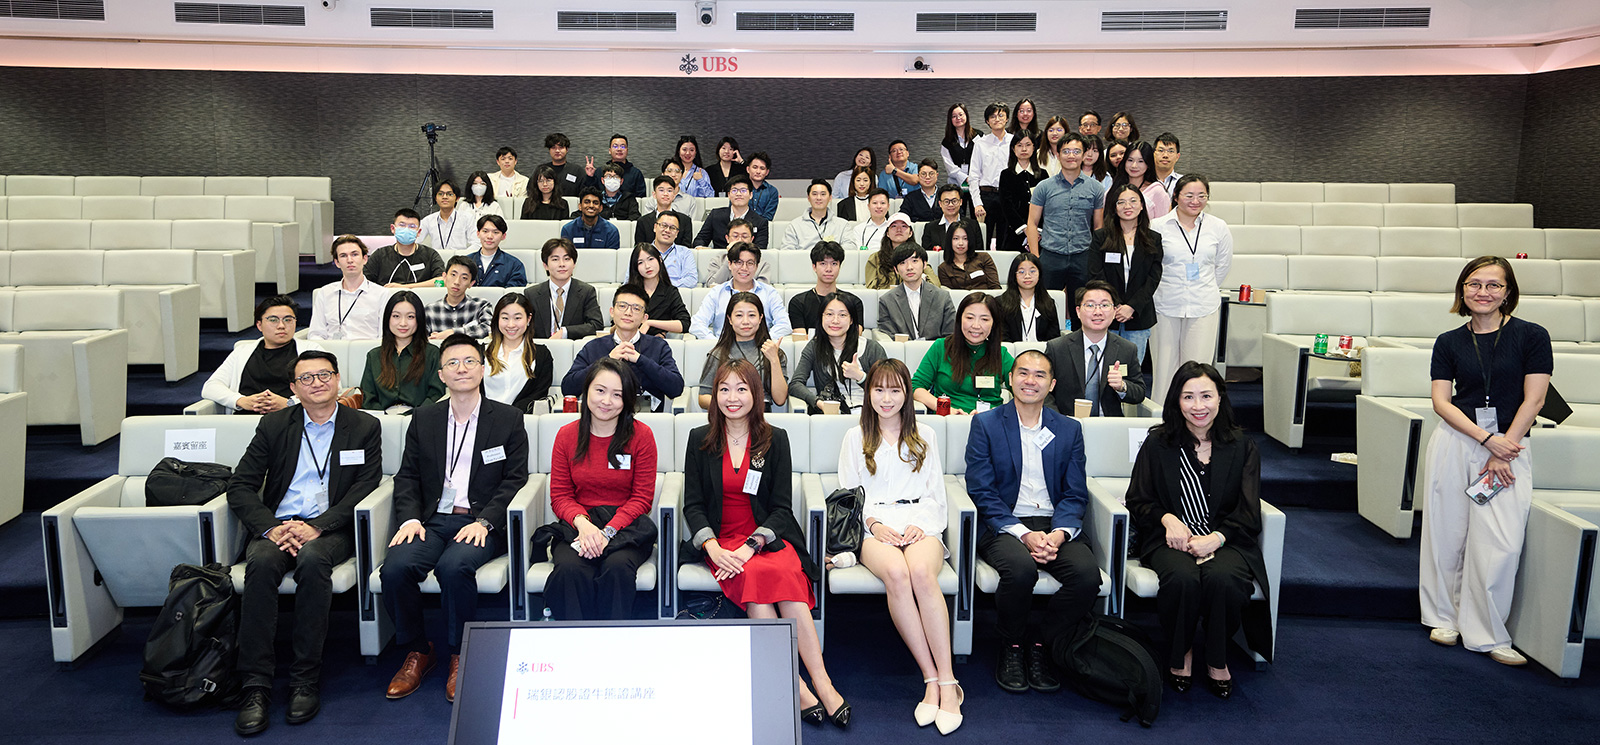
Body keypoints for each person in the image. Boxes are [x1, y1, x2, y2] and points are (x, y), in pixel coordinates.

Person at [682, 359, 849, 727]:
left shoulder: (775, 439)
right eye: (724, 389)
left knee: (786, 577)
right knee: (756, 581)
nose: (732, 397)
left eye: (741, 389)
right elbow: (692, 505)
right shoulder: (699, 439)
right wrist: (712, 547)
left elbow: (781, 508)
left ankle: (822, 681)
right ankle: (796, 685)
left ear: (756, 394)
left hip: (765, 538)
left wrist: (752, 544)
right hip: (722, 544)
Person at [227, 350, 383, 735]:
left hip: (330, 530)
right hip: (279, 526)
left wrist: (319, 526)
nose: (317, 383)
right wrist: (270, 528)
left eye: (324, 375)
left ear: (338, 379)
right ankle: (255, 685)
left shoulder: (364, 425)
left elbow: (365, 486)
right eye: (307, 378)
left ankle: (304, 678)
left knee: (313, 560)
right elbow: (241, 485)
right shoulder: (274, 425)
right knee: (262, 563)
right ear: (294, 388)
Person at [382, 334, 530, 703]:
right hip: (432, 520)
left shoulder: (508, 418)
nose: (461, 369)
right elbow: (407, 475)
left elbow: (515, 479)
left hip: (480, 522)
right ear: (441, 374)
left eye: (469, 361)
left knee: (454, 568)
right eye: (452, 363)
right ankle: (418, 650)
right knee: (396, 568)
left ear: (482, 369)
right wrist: (409, 518)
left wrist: (486, 521)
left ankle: (459, 653)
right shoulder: (425, 417)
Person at [1420, 256, 1551, 667]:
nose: (1483, 292)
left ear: (1508, 292)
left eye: (1494, 285)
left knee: (1501, 543)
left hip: (1510, 450)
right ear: (1463, 290)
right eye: (1474, 284)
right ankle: (1443, 617)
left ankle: (1488, 631)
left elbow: (1536, 399)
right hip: (1458, 441)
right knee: (1447, 534)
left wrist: (1503, 445)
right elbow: (1441, 401)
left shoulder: (1532, 336)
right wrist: (1486, 439)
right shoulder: (1449, 341)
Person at [1125, 361, 1271, 697]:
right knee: (1182, 578)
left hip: (1226, 538)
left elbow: (1248, 510)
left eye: (1206, 396)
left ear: (1220, 398)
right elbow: (1138, 499)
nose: (1198, 405)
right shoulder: (1158, 443)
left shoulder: (1241, 446)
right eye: (1188, 396)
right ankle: (1182, 652)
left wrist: (1215, 539)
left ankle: (1217, 657)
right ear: (1176, 400)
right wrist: (1167, 519)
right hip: (1169, 540)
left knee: (1225, 579)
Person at [840, 358, 963, 733]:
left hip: (920, 519)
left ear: (907, 393)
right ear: (868, 393)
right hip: (873, 526)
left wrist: (919, 524)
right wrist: (875, 525)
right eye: (878, 389)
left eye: (895, 390)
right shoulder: (855, 436)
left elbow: (936, 494)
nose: (886, 398)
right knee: (896, 572)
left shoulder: (926, 433)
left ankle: (949, 682)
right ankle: (930, 678)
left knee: (921, 573)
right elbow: (849, 497)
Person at [966, 349, 1098, 693]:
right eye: (1022, 373)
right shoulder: (986, 424)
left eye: (1039, 375)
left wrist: (1059, 534)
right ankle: (1011, 644)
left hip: (1055, 523)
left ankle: (1041, 642)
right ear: (1010, 379)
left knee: (1087, 576)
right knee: (1021, 570)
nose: (1030, 380)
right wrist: (1024, 534)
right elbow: (981, 490)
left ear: (1051, 384)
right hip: (1005, 524)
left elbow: (1075, 492)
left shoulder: (1069, 429)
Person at [544, 359, 659, 619]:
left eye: (617, 394)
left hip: (626, 528)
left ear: (627, 400)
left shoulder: (642, 436)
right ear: (587, 390)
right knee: (570, 570)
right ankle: (574, 640)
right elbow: (560, 495)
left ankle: (613, 640)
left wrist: (607, 532)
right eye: (600, 391)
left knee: (617, 569)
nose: (607, 401)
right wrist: (584, 526)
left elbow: (642, 498)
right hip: (579, 525)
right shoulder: (566, 435)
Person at [1150, 175, 1233, 402]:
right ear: (1176, 196)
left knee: (1198, 370)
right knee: (1164, 369)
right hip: (1165, 304)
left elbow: (1222, 266)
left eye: (1201, 196)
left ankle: (1194, 415)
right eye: (1189, 195)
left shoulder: (1218, 227)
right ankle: (1161, 417)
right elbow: (1151, 266)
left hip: (1203, 305)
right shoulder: (1157, 226)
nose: (1195, 201)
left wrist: (1203, 287)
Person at [562, 283, 685, 413]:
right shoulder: (593, 346)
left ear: (644, 318)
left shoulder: (658, 346)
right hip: (603, 417)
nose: (628, 313)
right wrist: (606, 361)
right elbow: (568, 388)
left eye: (636, 308)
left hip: (646, 418)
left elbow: (676, 388)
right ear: (612, 312)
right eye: (622, 306)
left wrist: (640, 360)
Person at [1027, 133, 1107, 313]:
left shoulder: (1096, 188)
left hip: (1083, 256)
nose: (1071, 156)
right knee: (1045, 309)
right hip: (1051, 256)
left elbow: (1098, 227)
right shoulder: (1044, 187)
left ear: (1084, 154)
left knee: (1083, 308)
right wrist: (1035, 257)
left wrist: (1096, 258)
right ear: (1058, 154)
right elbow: (1032, 223)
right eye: (1066, 151)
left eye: (1076, 151)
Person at [204, 296, 324, 414]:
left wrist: (290, 403)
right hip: (244, 418)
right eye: (273, 320)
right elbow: (211, 386)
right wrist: (240, 400)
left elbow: (328, 388)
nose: (281, 326)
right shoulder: (242, 352)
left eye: (288, 320)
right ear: (259, 325)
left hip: (291, 417)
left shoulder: (311, 350)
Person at [1045, 281, 1146, 417]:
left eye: (1105, 305)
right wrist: (1060, 421)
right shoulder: (1057, 348)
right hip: (1067, 421)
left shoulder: (1126, 349)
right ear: (1078, 311)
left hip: (1108, 424)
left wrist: (1122, 386)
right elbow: (1043, 391)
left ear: (1114, 311)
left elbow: (1139, 392)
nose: (1098, 312)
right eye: (1090, 305)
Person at [1088, 184, 1164, 362]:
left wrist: (1131, 307)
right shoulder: (1101, 237)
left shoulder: (1153, 238)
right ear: (1114, 207)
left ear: (1142, 205)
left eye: (1133, 201)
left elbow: (1153, 278)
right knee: (1104, 366)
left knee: (1132, 368)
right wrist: (1113, 305)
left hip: (1138, 314)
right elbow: (1095, 274)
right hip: (1106, 313)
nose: (1127, 206)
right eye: (1121, 202)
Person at [912, 293, 1013, 415]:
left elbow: (1022, 389)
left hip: (989, 421)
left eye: (984, 319)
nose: (976, 326)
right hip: (947, 419)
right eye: (970, 318)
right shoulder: (941, 347)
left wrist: (996, 413)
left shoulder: (1001, 354)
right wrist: (946, 409)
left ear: (994, 323)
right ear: (960, 319)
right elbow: (916, 386)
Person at [789, 293, 886, 414]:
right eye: (829, 314)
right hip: (833, 415)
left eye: (842, 315)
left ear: (851, 320)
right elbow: (795, 384)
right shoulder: (814, 347)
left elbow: (887, 388)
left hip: (872, 414)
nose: (835, 321)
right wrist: (818, 402)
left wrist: (860, 377)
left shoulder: (872, 348)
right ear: (821, 317)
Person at [697, 294, 788, 411]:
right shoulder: (718, 354)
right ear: (730, 319)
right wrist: (731, 406)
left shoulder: (773, 352)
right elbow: (703, 397)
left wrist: (774, 360)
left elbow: (780, 400)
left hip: (761, 415)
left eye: (751, 315)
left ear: (760, 318)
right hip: (729, 413)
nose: (745, 321)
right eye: (739, 315)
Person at [359, 291, 444, 414]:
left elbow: (436, 395)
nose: (403, 323)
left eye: (410, 317)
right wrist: (386, 417)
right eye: (396, 316)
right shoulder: (374, 356)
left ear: (419, 319)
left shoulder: (432, 354)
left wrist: (413, 416)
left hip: (420, 417)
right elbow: (368, 397)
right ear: (387, 318)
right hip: (382, 419)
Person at [690, 242, 792, 339]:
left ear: (757, 266)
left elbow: (784, 324)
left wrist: (765, 342)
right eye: (738, 262)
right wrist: (717, 344)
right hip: (724, 348)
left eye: (750, 263)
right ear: (729, 264)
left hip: (760, 348)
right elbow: (697, 324)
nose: (744, 268)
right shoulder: (717, 293)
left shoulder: (769, 293)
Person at [309, 235, 390, 340]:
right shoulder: (325, 293)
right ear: (337, 263)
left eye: (354, 254)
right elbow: (316, 333)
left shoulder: (381, 294)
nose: (350, 260)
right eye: (343, 256)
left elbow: (383, 336)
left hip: (367, 348)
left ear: (365, 259)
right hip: (331, 348)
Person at [483, 294, 554, 412]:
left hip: (522, 419)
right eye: (505, 318)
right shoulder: (481, 353)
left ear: (528, 319)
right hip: (484, 418)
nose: (511, 324)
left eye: (517, 318)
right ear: (497, 319)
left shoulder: (541, 355)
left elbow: (539, 394)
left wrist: (510, 415)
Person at [526, 238, 604, 341]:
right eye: (555, 259)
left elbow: (596, 325)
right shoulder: (531, 294)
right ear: (545, 265)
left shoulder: (586, 292)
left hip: (572, 348)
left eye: (567, 259)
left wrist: (565, 332)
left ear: (574, 263)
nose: (562, 264)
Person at [879, 244, 956, 341]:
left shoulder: (942, 297)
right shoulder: (887, 300)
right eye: (902, 263)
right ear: (896, 270)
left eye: (914, 261)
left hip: (935, 349)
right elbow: (889, 335)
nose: (909, 267)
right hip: (902, 349)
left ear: (924, 264)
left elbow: (950, 333)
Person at [787, 241, 863, 336]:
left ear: (840, 266)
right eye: (823, 263)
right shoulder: (798, 302)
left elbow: (855, 335)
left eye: (834, 264)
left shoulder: (853, 302)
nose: (828, 269)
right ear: (814, 267)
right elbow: (801, 339)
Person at [966, 102, 1013, 241]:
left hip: (1007, 196)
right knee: (982, 239)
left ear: (1007, 119)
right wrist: (977, 203)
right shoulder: (980, 143)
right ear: (987, 121)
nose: (997, 119)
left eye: (1001, 115)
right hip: (986, 196)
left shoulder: (1014, 142)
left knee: (1006, 240)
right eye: (992, 116)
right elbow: (974, 176)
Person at [367, 208, 446, 288]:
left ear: (418, 232)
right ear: (393, 229)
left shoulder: (431, 255)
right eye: (402, 225)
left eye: (412, 226)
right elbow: (365, 281)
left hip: (421, 296)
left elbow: (442, 282)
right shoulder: (379, 255)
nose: (406, 230)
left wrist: (406, 287)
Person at [998, 132, 1048, 253]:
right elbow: (1006, 205)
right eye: (1019, 145)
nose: (1024, 149)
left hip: (1040, 234)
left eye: (1028, 145)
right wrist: (1024, 229)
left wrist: (1037, 230)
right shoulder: (1006, 175)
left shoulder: (1043, 175)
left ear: (1034, 147)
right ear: (1013, 148)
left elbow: (1047, 205)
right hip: (1014, 232)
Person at [626, 243, 692, 336]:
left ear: (660, 259)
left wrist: (650, 323)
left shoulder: (670, 291)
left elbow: (685, 324)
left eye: (650, 259)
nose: (647, 266)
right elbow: (616, 325)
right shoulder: (628, 292)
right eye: (640, 262)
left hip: (656, 341)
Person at [425, 256, 493, 340]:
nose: (457, 282)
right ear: (444, 277)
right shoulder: (430, 310)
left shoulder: (481, 306)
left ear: (471, 283)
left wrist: (453, 333)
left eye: (464, 278)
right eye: (453, 275)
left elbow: (489, 329)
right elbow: (421, 339)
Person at [695, 175, 771, 250]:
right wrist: (701, 248)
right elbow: (700, 240)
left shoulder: (760, 222)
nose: (738, 194)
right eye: (734, 190)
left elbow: (760, 248)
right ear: (728, 195)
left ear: (751, 195)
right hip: (720, 256)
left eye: (743, 190)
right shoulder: (715, 215)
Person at [998, 253, 1061, 343]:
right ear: (1014, 275)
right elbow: (1002, 338)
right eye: (1021, 272)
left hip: (1041, 351)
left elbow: (1054, 338)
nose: (1027, 276)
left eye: (1032, 271)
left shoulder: (1048, 303)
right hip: (1013, 350)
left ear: (1039, 274)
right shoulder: (1001, 303)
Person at [864, 214, 934, 290]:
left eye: (904, 226)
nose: (899, 230)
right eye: (894, 226)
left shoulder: (918, 256)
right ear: (887, 233)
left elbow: (934, 285)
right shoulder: (875, 258)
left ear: (910, 233)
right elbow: (871, 288)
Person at [781, 179, 851, 252]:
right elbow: (786, 251)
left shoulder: (843, 225)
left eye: (823, 194)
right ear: (808, 198)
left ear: (830, 198)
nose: (819, 198)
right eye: (814, 194)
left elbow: (850, 248)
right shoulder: (794, 225)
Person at [1111, 140, 1172, 219]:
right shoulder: (1114, 189)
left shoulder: (1157, 191)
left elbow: (1162, 223)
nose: (1134, 166)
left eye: (1140, 161)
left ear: (1148, 164)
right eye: (1130, 160)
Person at [704, 219, 775, 286]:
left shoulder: (761, 264)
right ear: (727, 238)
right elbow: (712, 285)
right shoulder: (717, 260)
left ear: (751, 239)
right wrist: (729, 259)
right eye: (735, 236)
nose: (740, 240)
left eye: (744, 236)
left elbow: (762, 289)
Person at [633, 175, 695, 248]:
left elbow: (685, 248)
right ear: (654, 194)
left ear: (674, 195)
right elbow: (640, 248)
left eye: (669, 191)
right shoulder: (643, 221)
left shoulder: (685, 221)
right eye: (661, 190)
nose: (665, 194)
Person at [936, 219, 1000, 290]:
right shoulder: (943, 268)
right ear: (949, 241)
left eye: (965, 238)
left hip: (986, 296)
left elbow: (995, 287)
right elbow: (948, 294)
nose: (961, 243)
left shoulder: (984, 257)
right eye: (956, 238)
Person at [470, 215, 527, 288]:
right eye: (485, 231)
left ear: (503, 236)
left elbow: (513, 292)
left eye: (495, 232)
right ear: (478, 234)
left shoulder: (514, 265)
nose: (490, 236)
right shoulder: (466, 262)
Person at [421, 180, 476, 254]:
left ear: (457, 198)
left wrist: (465, 255)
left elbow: (476, 243)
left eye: (449, 194)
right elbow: (416, 241)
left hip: (460, 258)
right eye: (440, 194)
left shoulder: (467, 218)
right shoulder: (428, 220)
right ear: (436, 198)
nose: (444, 197)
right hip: (436, 259)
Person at [584, 133, 646, 198]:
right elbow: (589, 196)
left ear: (627, 151)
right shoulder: (600, 171)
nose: (619, 149)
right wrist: (590, 177)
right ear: (609, 151)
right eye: (615, 146)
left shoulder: (636, 173)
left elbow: (641, 198)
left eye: (622, 146)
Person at [921, 184, 970, 253]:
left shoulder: (972, 225)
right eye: (946, 201)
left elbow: (978, 254)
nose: (951, 204)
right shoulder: (930, 228)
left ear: (960, 202)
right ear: (940, 204)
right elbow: (927, 255)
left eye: (954, 201)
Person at [902, 158, 944, 223]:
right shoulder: (910, 198)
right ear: (918, 176)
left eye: (931, 174)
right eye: (923, 174)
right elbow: (902, 217)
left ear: (937, 175)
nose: (927, 177)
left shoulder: (945, 195)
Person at [745, 151, 780, 221]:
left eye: (762, 168)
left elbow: (768, 217)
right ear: (748, 169)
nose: (758, 171)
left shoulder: (772, 191)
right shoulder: (739, 188)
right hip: (741, 225)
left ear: (767, 172)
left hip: (762, 226)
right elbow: (735, 212)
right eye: (755, 167)